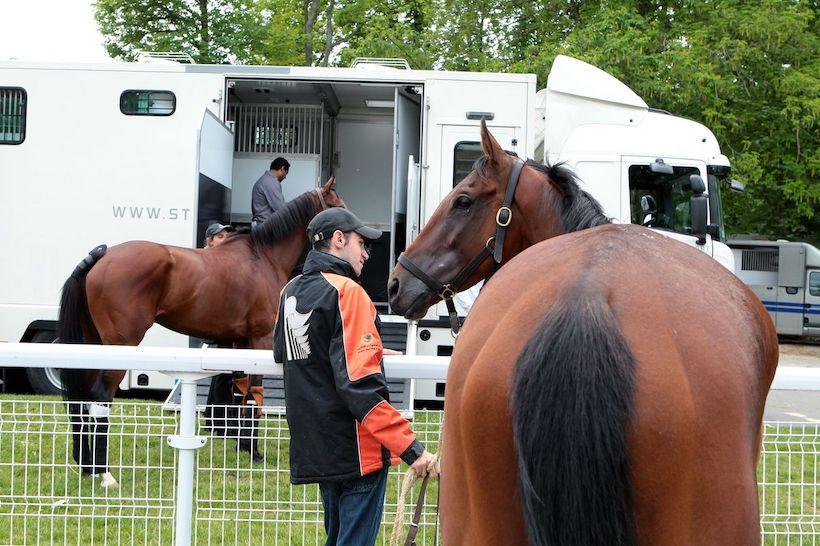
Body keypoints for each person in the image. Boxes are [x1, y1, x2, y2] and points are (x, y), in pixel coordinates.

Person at [273, 208, 438, 546]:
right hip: (356, 451)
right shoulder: (349, 292)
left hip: (317, 448)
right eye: (362, 243)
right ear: (338, 240)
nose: (365, 253)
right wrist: (412, 448)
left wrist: (370, 347)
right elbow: (360, 387)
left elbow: (286, 352)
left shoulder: (289, 291)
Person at [251, 157, 290, 227]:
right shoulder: (271, 182)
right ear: (282, 168)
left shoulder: (264, 179)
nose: (285, 177)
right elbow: (280, 208)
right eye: (286, 173)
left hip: (261, 224)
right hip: (265, 226)